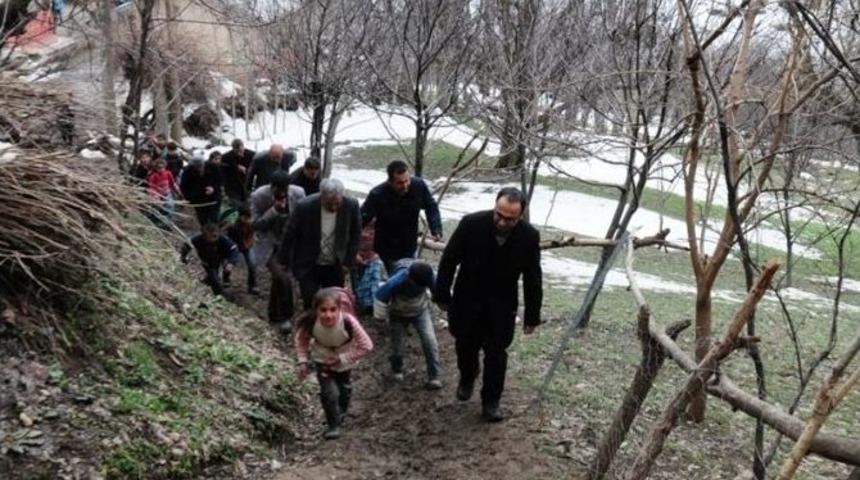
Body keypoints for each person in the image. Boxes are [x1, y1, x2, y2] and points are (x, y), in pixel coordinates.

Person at [433, 187, 542, 422]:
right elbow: (449, 259)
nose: (502, 222)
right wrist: (442, 294)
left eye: (509, 219)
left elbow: (533, 277)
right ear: (494, 207)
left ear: (520, 216)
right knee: (465, 346)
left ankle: (491, 401)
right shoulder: (471, 224)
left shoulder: (529, 236)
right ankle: (468, 375)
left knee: (496, 355)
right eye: (498, 215)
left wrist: (532, 315)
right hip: (467, 300)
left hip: (501, 307)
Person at [294, 288, 373, 440]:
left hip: (345, 359)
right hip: (322, 358)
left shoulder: (349, 321)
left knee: (344, 388)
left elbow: (367, 345)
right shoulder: (310, 322)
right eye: (323, 310)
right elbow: (301, 341)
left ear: (339, 309)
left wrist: (342, 358)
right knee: (329, 392)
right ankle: (333, 424)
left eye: (332, 310)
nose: (328, 315)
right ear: (316, 310)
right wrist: (302, 361)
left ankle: (341, 412)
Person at [276, 178, 361, 310]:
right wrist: (283, 260)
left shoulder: (351, 205)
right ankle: (310, 326)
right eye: (329, 204)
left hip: (335, 264)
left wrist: (348, 262)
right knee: (310, 299)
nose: (333, 207)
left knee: (332, 301)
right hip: (308, 262)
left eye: (337, 204)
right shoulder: (305, 206)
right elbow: (289, 234)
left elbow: (356, 234)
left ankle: (327, 327)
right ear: (321, 196)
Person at [360, 160, 442, 272]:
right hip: (387, 247)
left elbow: (431, 206)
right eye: (399, 183)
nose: (405, 186)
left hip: (409, 244)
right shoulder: (377, 195)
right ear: (390, 181)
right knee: (398, 277)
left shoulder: (418, 186)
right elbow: (361, 220)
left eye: (407, 181)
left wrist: (436, 228)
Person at [375, 259, 442, 390]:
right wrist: (380, 318)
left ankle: (434, 376)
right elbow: (380, 295)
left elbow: (438, 293)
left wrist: (445, 305)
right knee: (398, 346)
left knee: (430, 341)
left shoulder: (430, 276)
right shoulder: (398, 279)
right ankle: (397, 369)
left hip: (420, 310)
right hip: (398, 313)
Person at [255, 187, 300, 331]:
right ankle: (286, 316)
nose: (282, 200)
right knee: (283, 279)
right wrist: (273, 210)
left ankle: (273, 313)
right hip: (270, 248)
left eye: (284, 197)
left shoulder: (297, 195)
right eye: (278, 197)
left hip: (290, 248)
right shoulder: (260, 198)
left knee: (278, 280)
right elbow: (257, 225)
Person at [181, 223, 240, 296]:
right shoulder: (198, 239)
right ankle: (219, 293)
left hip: (221, 257)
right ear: (205, 236)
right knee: (214, 278)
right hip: (208, 261)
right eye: (212, 236)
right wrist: (183, 258)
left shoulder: (223, 239)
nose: (214, 238)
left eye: (215, 236)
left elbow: (234, 249)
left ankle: (225, 279)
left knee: (225, 267)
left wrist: (231, 262)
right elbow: (187, 245)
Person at [180, 150, 223, 228]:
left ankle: (214, 234)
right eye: (197, 167)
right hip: (199, 200)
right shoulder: (188, 171)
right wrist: (191, 199)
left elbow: (220, 181)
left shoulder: (212, 167)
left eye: (200, 166)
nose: (199, 168)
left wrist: (213, 188)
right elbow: (184, 187)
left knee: (214, 218)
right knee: (203, 220)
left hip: (214, 198)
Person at [226, 205, 259, 295]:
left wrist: (250, 242)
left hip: (247, 245)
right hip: (235, 245)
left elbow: (252, 234)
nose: (248, 220)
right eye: (245, 217)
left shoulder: (251, 223)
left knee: (252, 264)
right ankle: (226, 280)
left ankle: (252, 285)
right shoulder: (232, 225)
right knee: (229, 264)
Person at [221, 139, 256, 206]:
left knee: (248, 204)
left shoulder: (251, 154)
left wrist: (248, 169)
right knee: (237, 205)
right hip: (232, 186)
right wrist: (236, 167)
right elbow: (222, 165)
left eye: (241, 150)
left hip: (247, 184)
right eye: (237, 151)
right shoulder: (226, 157)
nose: (239, 153)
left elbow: (256, 165)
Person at [147, 157, 179, 229]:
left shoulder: (168, 173)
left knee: (170, 207)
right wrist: (155, 196)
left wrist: (176, 191)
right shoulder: (153, 176)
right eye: (158, 168)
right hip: (158, 195)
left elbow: (172, 183)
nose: (161, 169)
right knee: (158, 209)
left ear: (165, 166)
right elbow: (151, 188)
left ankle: (169, 224)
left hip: (167, 193)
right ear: (156, 168)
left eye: (162, 167)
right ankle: (157, 222)